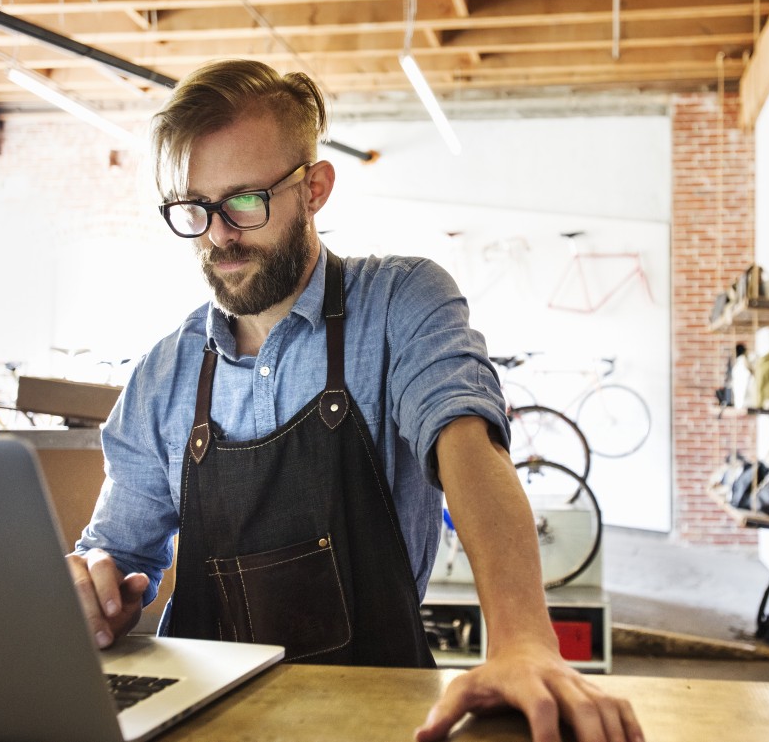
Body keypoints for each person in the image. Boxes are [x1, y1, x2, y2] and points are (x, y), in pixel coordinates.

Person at [66, 59, 643, 742]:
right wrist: (92, 589)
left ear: (314, 189)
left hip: (382, 713)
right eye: (195, 208)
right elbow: (115, 552)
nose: (219, 234)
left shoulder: (401, 302)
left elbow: (467, 443)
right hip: (202, 721)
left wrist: (523, 640)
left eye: (245, 202)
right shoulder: (162, 375)